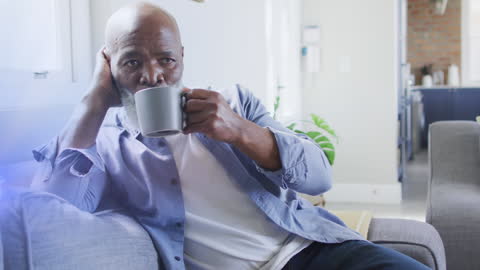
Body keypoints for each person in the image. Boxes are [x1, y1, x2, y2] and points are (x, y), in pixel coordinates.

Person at [2, 3, 429, 270]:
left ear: (182, 57)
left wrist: (239, 130)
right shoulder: (106, 144)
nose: (152, 74)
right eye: (132, 62)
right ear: (109, 66)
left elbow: (319, 179)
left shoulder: (234, 101)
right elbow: (53, 208)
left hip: (310, 250)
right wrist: (94, 102)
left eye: (165, 59)